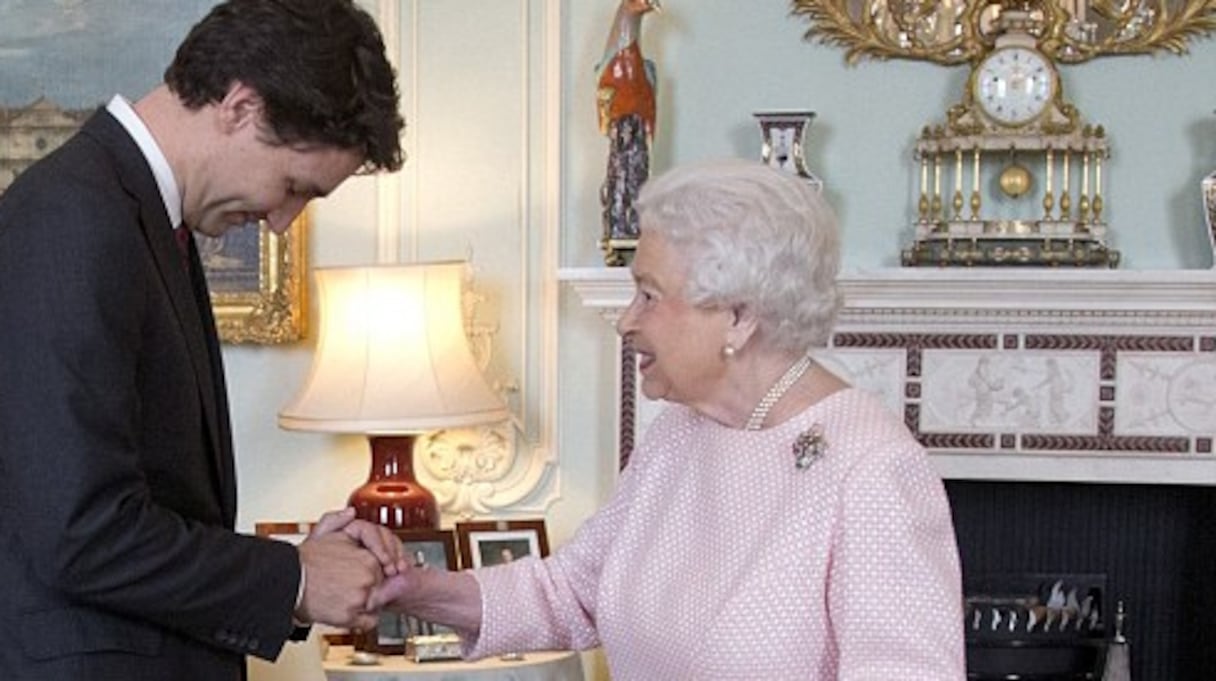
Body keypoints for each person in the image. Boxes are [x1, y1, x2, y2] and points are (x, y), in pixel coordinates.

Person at [369, 159, 966, 678]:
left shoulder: (872, 470)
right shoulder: (680, 433)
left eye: (648, 295)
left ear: (737, 315)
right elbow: (575, 592)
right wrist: (417, 589)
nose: (626, 320)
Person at [0, 1, 407, 679]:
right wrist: (294, 579)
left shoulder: (139, 214)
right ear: (240, 106)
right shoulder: (75, 219)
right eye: (292, 186)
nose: (281, 222)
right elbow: (84, 532)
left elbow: (146, 507)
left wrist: (298, 573)